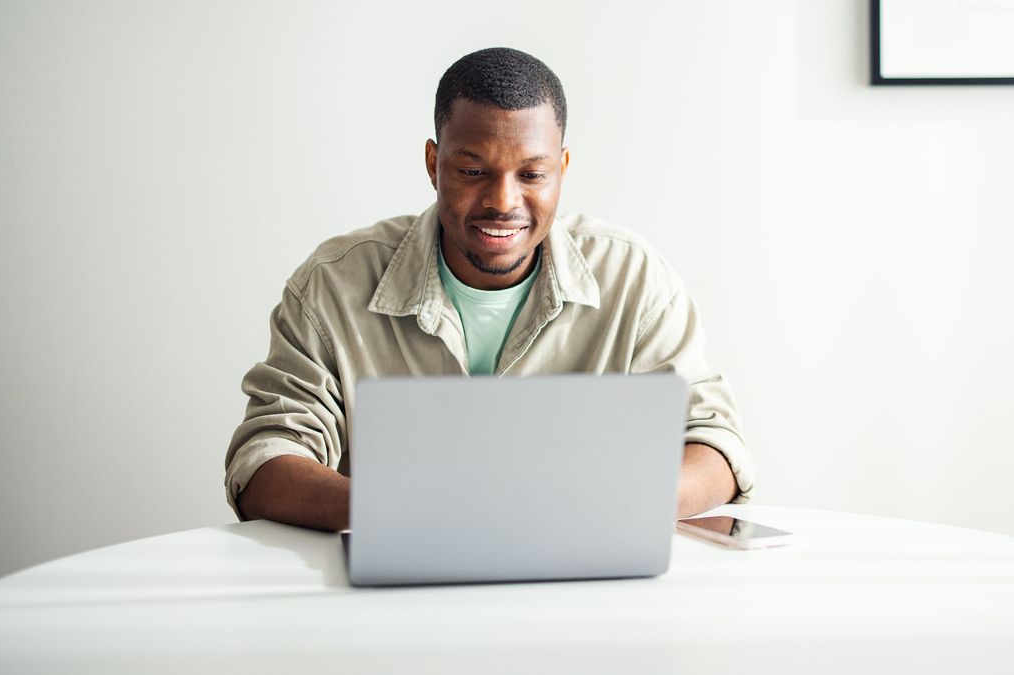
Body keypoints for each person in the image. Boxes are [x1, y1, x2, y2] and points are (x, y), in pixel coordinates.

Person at [224, 47, 755, 531]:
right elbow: (266, 455)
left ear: (562, 170)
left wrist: (611, 504)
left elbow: (714, 443)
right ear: (434, 164)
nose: (503, 201)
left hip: (584, 596)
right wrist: (406, 512)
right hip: (395, 603)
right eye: (473, 170)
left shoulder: (634, 280)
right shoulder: (332, 284)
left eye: (531, 174)